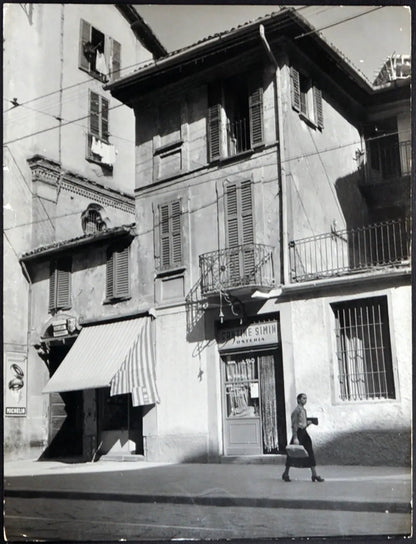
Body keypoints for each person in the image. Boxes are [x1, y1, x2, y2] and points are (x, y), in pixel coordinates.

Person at [282, 393, 324, 482]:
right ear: (298, 400)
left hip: (304, 433)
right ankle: (286, 473)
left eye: (306, 398)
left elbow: (302, 424)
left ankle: (314, 474)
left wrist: (308, 423)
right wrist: (295, 437)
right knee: (291, 454)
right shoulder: (296, 411)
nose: (305, 400)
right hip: (298, 433)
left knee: (310, 452)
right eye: (303, 398)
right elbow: (294, 425)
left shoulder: (303, 410)